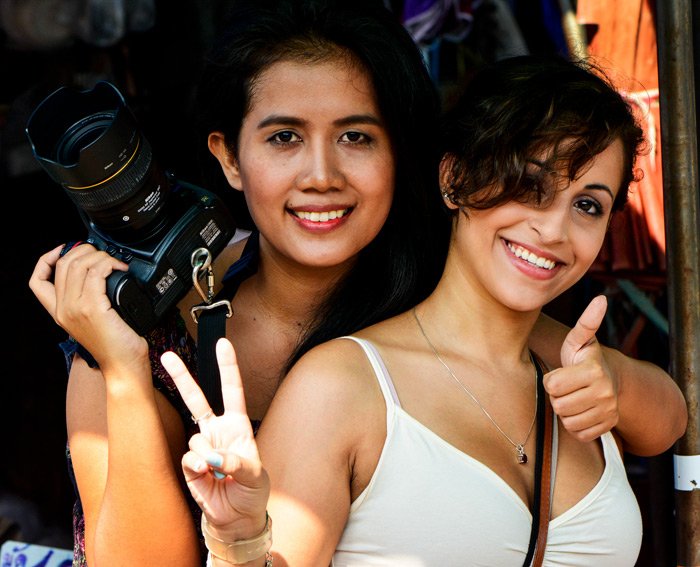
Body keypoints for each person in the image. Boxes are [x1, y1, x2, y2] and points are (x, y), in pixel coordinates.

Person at [28, 0, 684, 563]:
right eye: (284, 137)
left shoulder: (438, 290)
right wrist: (121, 366)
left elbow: (656, 409)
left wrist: (615, 385)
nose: (321, 174)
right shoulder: (147, 325)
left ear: (405, 156)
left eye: (356, 138)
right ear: (229, 157)